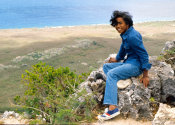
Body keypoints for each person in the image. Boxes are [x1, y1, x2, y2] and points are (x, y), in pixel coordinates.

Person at [98, 10, 152, 121]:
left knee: (112, 75)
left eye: (120, 23)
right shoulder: (125, 34)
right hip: (128, 63)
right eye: (116, 24)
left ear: (127, 23)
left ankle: (112, 108)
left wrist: (145, 75)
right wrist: (116, 59)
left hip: (136, 66)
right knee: (106, 67)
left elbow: (144, 55)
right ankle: (122, 79)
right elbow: (123, 49)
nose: (117, 26)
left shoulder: (132, 36)